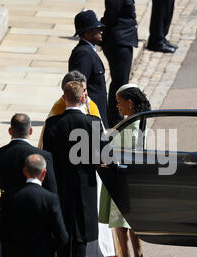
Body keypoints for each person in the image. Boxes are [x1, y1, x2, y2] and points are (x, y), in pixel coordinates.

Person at [43, 81, 104, 257]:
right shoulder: (93, 122)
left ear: (64, 98)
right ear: (83, 98)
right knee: (79, 235)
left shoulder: (53, 124)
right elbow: (103, 156)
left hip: (59, 185)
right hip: (84, 185)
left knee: (63, 231)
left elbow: (47, 158)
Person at [0, 113, 57, 257]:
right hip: (37, 225)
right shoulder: (43, 156)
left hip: (7, 223)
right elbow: (52, 192)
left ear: (10, 131)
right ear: (31, 130)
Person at [99, 84, 151, 257]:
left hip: (125, 180)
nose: (117, 107)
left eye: (119, 103)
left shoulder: (134, 126)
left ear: (130, 102)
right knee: (121, 224)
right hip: (118, 178)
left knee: (128, 224)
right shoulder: (130, 121)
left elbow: (127, 156)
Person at [8, 154, 68, 257]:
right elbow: (62, 236)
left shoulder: (12, 198)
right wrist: (49, 249)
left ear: (24, 171)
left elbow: (3, 233)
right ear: (44, 173)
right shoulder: (51, 198)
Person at [38, 70, 101, 149]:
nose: (85, 94)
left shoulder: (91, 105)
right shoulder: (58, 109)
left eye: (85, 89)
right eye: (82, 91)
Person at [101, 0, 139, 128]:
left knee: (120, 80)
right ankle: (115, 119)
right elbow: (111, 15)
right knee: (119, 82)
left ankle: (116, 116)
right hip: (119, 41)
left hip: (124, 38)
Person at [69, 10, 109, 129]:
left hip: (96, 114)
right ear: (87, 33)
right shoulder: (83, 54)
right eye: (97, 29)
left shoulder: (88, 51)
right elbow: (78, 88)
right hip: (90, 119)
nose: (101, 32)